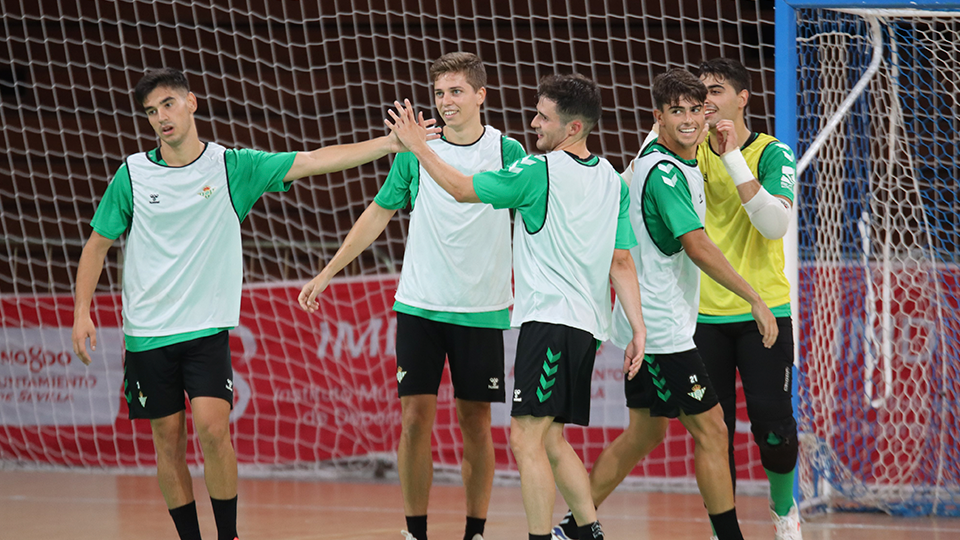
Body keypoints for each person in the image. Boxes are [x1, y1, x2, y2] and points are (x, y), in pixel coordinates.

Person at [71, 67, 436, 540]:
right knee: (167, 443)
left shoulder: (231, 168)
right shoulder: (133, 175)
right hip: (147, 333)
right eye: (151, 111)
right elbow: (97, 244)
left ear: (191, 103)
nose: (161, 117)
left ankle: (229, 535)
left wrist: (387, 146)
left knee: (213, 430)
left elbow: (310, 160)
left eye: (168, 104)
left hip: (204, 330)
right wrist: (83, 311)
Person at [387, 73, 647, 540]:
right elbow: (622, 263)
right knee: (549, 437)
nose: (533, 124)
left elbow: (464, 189)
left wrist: (417, 147)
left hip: (549, 323)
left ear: (573, 129)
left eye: (543, 117)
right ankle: (588, 530)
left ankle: (539, 537)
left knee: (524, 438)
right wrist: (638, 330)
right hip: (587, 329)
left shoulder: (536, 170)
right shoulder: (613, 180)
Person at [299, 52, 526, 540]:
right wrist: (328, 272)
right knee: (414, 420)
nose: (446, 102)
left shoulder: (508, 152)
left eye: (457, 91)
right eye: (440, 93)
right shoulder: (412, 154)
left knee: (476, 425)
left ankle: (476, 531)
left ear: (481, 95)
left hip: (482, 310)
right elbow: (377, 215)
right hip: (420, 306)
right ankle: (415, 532)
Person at [551, 68, 778, 540]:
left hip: (656, 318)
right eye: (678, 111)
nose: (690, 119)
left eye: (697, 109)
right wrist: (754, 297)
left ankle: (576, 526)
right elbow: (696, 245)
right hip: (660, 327)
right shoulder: (666, 173)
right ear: (659, 117)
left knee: (646, 433)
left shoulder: (673, 161)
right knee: (712, 431)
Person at [694, 58, 801, 540]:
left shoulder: (773, 153)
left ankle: (784, 512)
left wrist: (732, 155)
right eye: (700, 92)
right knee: (713, 435)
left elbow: (774, 224)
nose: (706, 99)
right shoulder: (685, 152)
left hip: (766, 312)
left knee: (774, 428)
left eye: (716, 89)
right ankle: (726, 530)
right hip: (701, 317)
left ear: (743, 98)